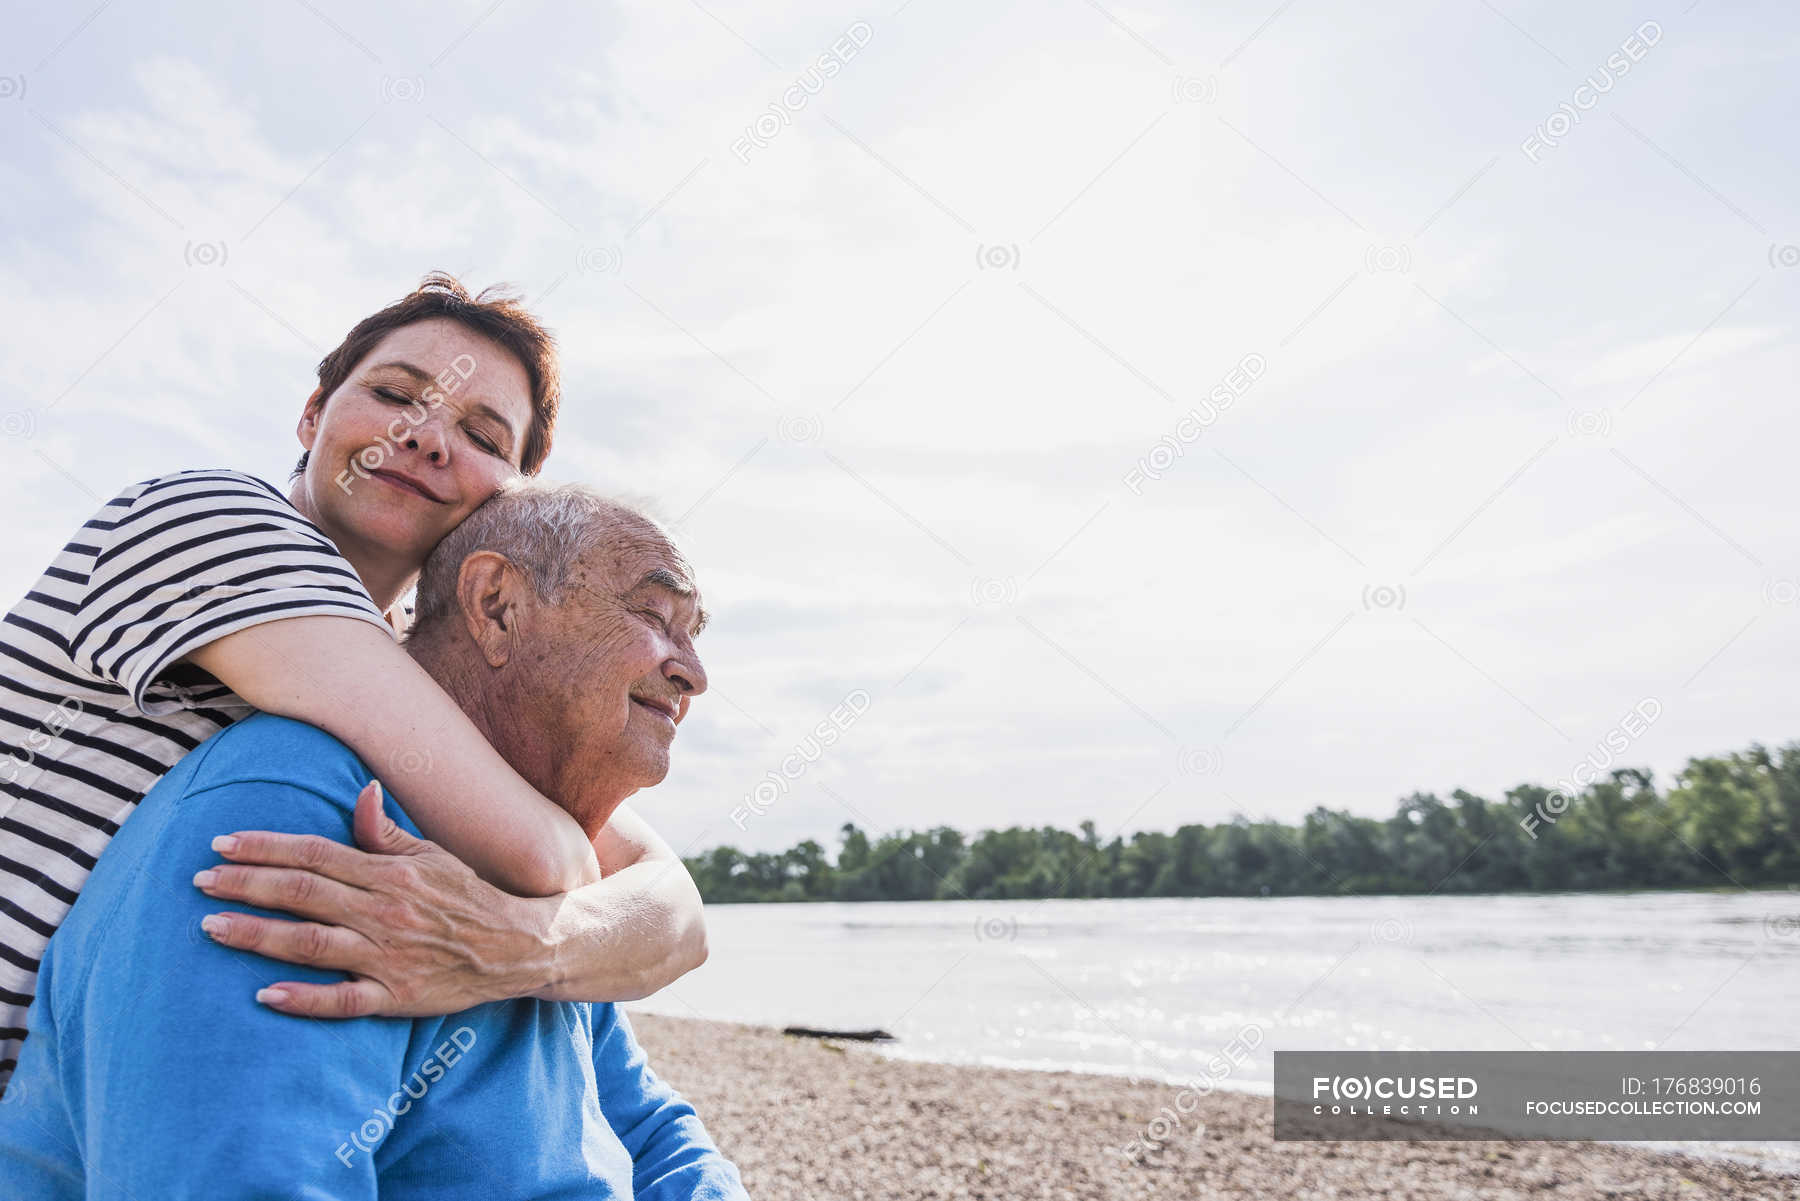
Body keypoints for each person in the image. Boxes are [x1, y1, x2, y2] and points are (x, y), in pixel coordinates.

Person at [0, 275, 706, 1091]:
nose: (424, 435)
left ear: (508, 499)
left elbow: (675, 913)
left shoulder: (411, 665)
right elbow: (550, 853)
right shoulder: (204, 520)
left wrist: (515, 946)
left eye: (481, 433)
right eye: (394, 393)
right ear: (312, 414)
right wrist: (547, 933)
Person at [0, 482, 746, 1200]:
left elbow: (647, 1125)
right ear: (497, 606)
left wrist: (522, 941)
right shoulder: (294, 808)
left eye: (695, 633)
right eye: (654, 614)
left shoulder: (549, 870)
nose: (695, 673)